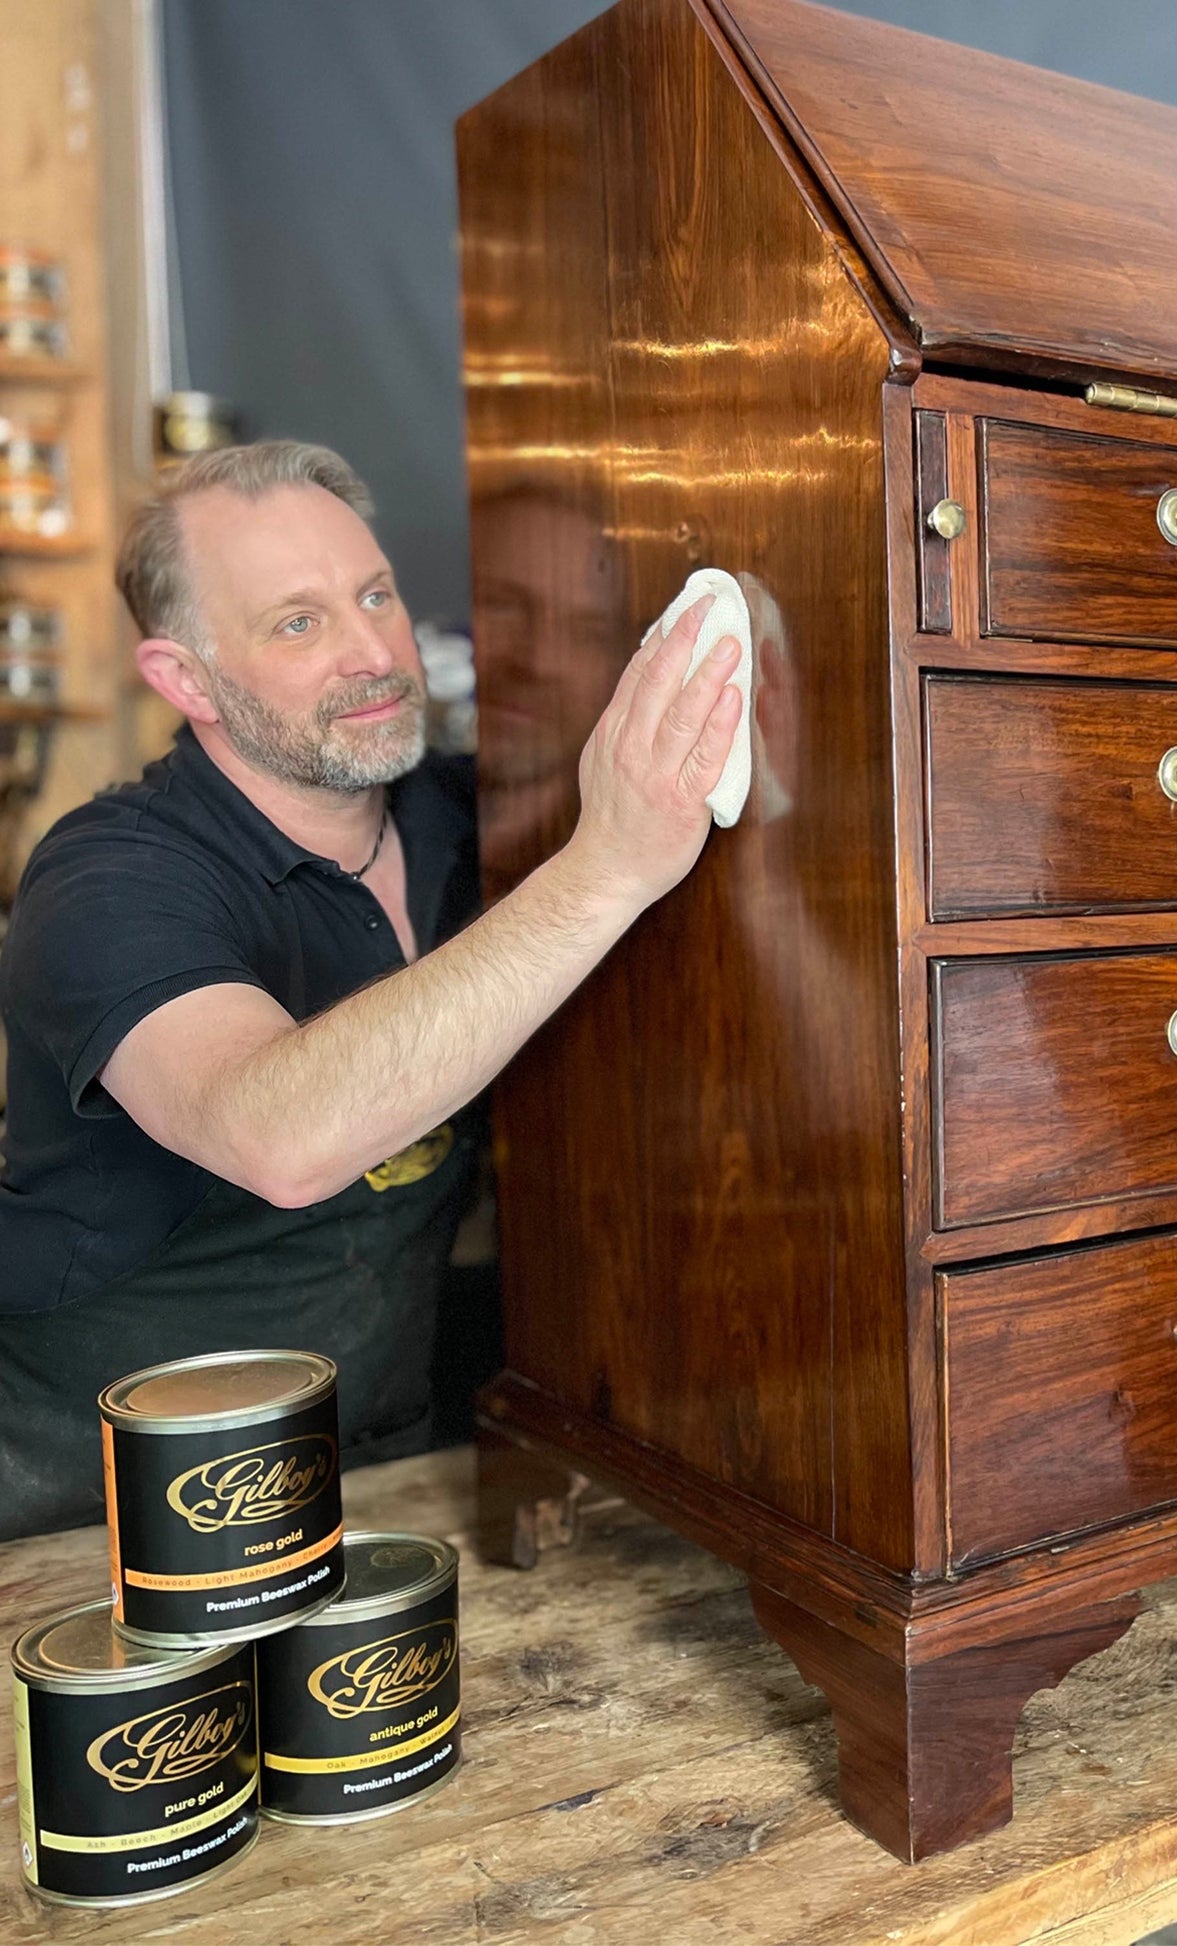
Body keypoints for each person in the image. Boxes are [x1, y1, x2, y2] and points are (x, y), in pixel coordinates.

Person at [0, 440, 741, 1539]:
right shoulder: (108, 875)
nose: (372, 653)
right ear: (184, 678)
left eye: (375, 595)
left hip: (372, 1476)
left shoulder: (470, 820)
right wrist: (604, 870)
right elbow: (277, 1135)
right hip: (84, 1509)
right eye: (296, 622)